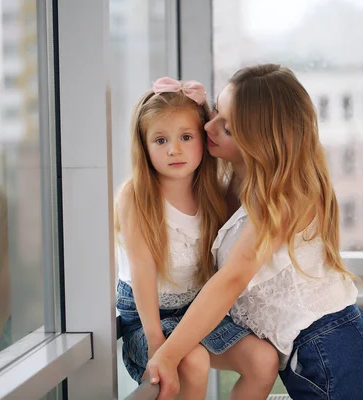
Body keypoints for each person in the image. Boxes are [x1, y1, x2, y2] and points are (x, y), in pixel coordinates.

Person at [146, 65, 363, 400]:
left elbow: (231, 280)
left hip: (339, 359)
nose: (209, 127)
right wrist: (193, 113)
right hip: (319, 357)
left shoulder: (283, 199)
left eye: (227, 127)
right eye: (214, 112)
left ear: (259, 142)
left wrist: (166, 356)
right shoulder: (240, 184)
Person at [115, 77, 278, 399]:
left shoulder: (214, 193)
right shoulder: (136, 195)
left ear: (203, 140)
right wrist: (157, 346)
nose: (174, 149)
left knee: (264, 360)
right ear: (144, 146)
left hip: (195, 311)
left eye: (186, 137)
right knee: (192, 359)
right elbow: (142, 272)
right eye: (160, 140)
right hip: (149, 317)